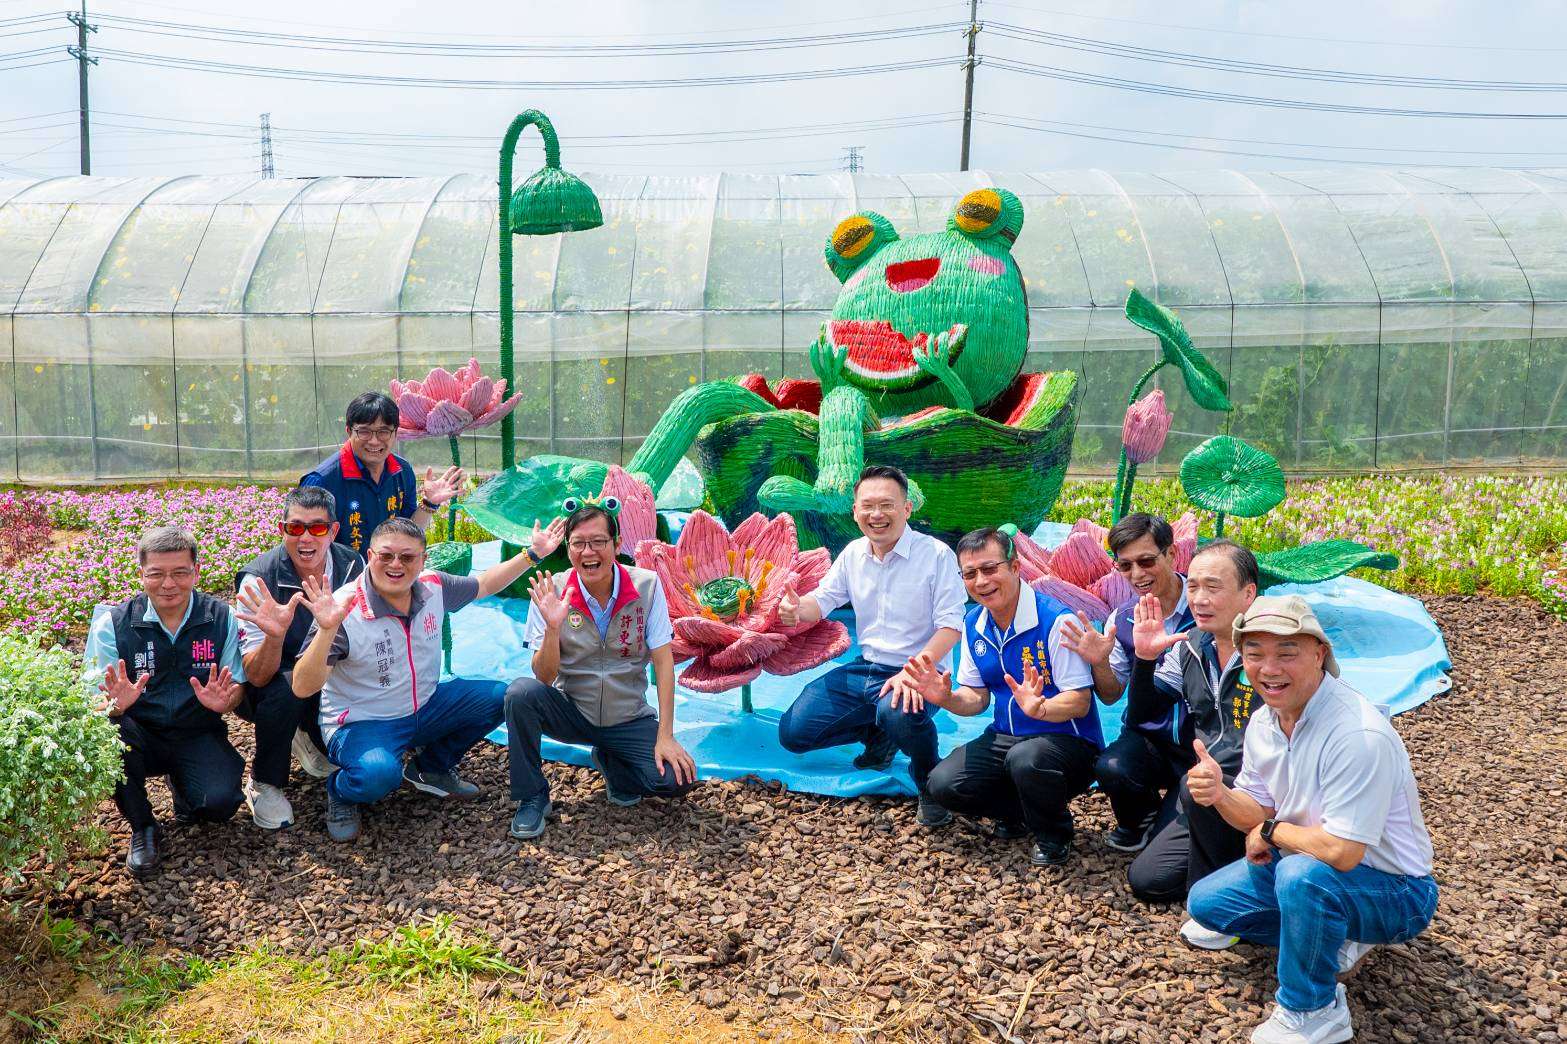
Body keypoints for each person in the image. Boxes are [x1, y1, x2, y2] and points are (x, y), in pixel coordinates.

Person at [1185, 596, 1437, 1044]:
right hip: (1312, 864)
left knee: (1303, 877)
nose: (1269, 668)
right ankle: (1331, 935)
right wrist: (1221, 793)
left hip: (1396, 889)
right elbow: (1255, 809)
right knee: (1207, 905)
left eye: (1287, 652)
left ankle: (1314, 1008)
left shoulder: (1356, 735)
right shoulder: (1266, 722)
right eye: (1255, 653)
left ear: (1320, 653)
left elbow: (1342, 852)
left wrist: (1271, 832)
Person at [291, 514, 565, 842]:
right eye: (386, 555)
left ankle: (431, 769)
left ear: (422, 561)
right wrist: (326, 629)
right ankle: (342, 793)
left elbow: (485, 585)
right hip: (364, 722)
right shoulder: (344, 609)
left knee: (501, 697)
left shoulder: (433, 586)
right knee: (377, 775)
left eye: (407, 557)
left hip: (425, 706)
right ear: (369, 556)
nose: (396, 565)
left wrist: (531, 554)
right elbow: (303, 686)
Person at [775, 465, 967, 827]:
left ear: (907, 509)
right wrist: (795, 608)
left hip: (921, 670)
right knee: (794, 733)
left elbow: (951, 627)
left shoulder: (937, 555)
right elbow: (824, 599)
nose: (876, 515)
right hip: (866, 668)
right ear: (855, 511)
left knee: (899, 711)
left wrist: (912, 673)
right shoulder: (853, 553)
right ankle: (878, 737)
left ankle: (929, 781)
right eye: (867, 506)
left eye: (887, 505)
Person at [910, 528, 1103, 865]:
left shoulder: (1056, 620)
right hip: (1006, 736)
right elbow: (977, 698)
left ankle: (1054, 835)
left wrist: (1040, 708)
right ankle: (1021, 811)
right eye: (969, 574)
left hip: (1066, 741)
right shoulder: (974, 624)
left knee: (1027, 759)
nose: (981, 581)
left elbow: (1080, 701)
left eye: (989, 569)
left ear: (1015, 568)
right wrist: (947, 699)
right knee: (943, 783)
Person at [505, 504, 698, 840]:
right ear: (568, 549)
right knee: (520, 694)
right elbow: (544, 677)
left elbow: (664, 662)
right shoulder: (552, 592)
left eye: (598, 542)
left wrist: (666, 735)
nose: (588, 552)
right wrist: (553, 628)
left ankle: (613, 761)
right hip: (573, 711)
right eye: (578, 543)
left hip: (627, 717)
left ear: (617, 544)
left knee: (676, 780)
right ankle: (532, 796)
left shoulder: (647, 586)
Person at [85, 526, 248, 876]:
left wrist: (227, 703)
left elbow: (235, 685)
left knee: (219, 805)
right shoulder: (112, 625)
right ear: (141, 574)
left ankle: (186, 790)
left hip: (196, 731)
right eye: (156, 574)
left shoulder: (221, 619)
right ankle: (143, 826)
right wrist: (117, 705)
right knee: (109, 738)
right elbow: (95, 704)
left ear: (197, 572)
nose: (168, 584)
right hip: (139, 733)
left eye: (180, 573)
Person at [1120, 540, 1260, 910]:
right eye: (1194, 586)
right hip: (1203, 785)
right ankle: (1230, 862)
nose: (1198, 598)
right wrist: (1146, 659)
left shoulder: (1271, 653)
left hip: (1265, 791)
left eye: (1212, 587)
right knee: (1147, 879)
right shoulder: (1192, 646)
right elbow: (1141, 715)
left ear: (1249, 594)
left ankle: (1225, 901)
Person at [231, 486, 365, 830]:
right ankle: (265, 782)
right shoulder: (257, 581)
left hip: (330, 669)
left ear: (334, 531)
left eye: (317, 528)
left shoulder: (353, 564)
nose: (306, 538)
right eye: (295, 528)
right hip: (275, 680)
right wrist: (275, 635)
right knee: (288, 689)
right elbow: (255, 676)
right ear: (282, 529)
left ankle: (306, 732)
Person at [1059, 513, 1194, 852]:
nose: (1137, 575)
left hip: (1202, 738)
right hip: (1151, 735)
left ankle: (1169, 822)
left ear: (1172, 555)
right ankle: (1143, 818)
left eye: (1146, 561)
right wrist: (1099, 661)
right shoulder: (1123, 618)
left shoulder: (1203, 608)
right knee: (1111, 766)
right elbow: (1109, 694)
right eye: (1126, 565)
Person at [300, 391, 465, 555]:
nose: (374, 441)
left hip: (389, 574)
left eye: (383, 431)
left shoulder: (402, 472)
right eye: (364, 431)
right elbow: (302, 542)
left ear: (395, 433)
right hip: (340, 579)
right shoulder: (321, 481)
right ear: (349, 431)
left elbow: (407, 535)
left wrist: (430, 503)